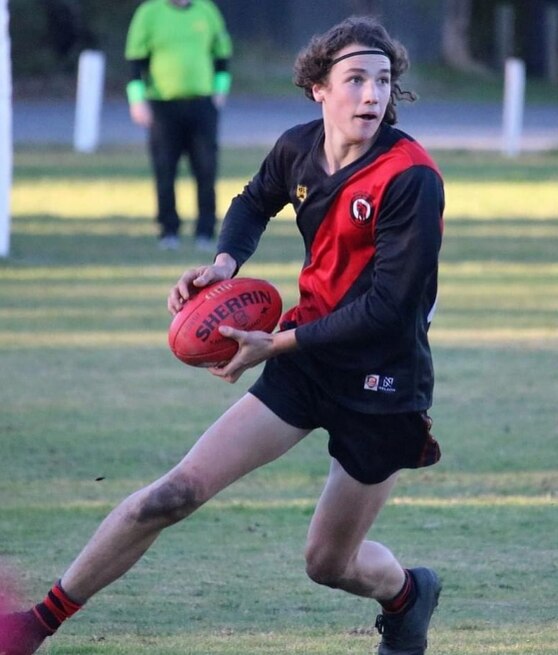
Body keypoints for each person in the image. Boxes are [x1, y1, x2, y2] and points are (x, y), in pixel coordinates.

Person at [0, 15, 445, 655]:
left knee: (328, 563)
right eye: (355, 80)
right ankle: (32, 625)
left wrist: (278, 344)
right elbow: (253, 200)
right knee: (172, 493)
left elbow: (390, 309)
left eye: (382, 81)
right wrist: (224, 265)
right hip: (305, 365)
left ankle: (407, 594)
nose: (372, 95)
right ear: (318, 87)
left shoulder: (412, 178)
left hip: (382, 381)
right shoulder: (298, 148)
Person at [124, 0, 233, 251]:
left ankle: (205, 231)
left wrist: (220, 90)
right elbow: (135, 63)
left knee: (206, 168)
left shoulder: (206, 11)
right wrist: (137, 100)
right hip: (163, 105)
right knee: (165, 169)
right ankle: (168, 230)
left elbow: (222, 55)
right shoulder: (149, 13)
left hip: (202, 104)